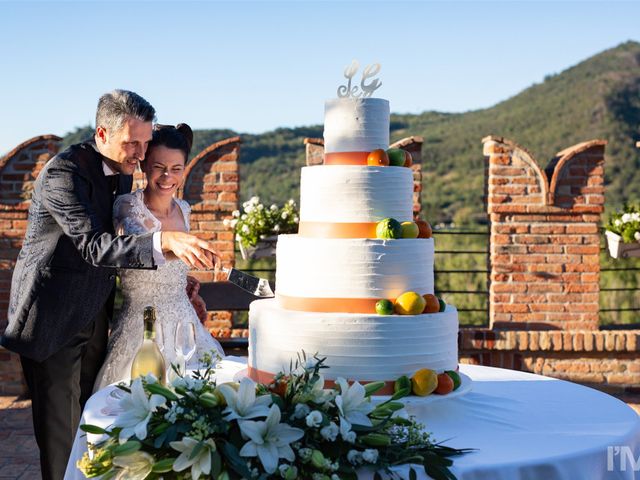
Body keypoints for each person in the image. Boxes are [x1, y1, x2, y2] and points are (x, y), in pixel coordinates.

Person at [0, 90, 219, 480]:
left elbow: (124, 249)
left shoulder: (121, 170)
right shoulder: (61, 174)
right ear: (102, 133)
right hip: (53, 320)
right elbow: (94, 245)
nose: (140, 153)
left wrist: (175, 283)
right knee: (64, 444)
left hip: (99, 317)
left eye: (144, 142)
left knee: (97, 433)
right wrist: (163, 242)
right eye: (132, 143)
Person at [93, 123, 224, 391]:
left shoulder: (185, 209)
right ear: (144, 166)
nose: (167, 177)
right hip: (142, 327)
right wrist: (173, 245)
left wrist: (185, 282)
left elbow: (170, 266)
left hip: (185, 323)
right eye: (158, 167)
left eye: (176, 169)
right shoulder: (127, 206)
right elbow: (135, 249)